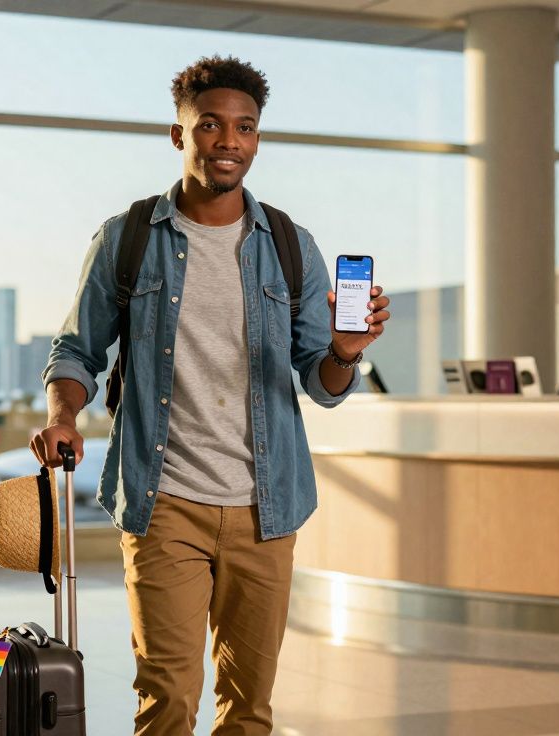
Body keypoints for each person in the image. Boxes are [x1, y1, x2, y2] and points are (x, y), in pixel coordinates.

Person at [29, 56, 391, 735]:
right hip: (165, 501)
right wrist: (61, 414)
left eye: (246, 128)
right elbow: (77, 349)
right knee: (167, 698)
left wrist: (345, 353)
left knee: (249, 709)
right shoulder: (128, 239)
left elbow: (323, 381)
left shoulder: (290, 246)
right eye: (212, 126)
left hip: (267, 506)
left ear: (257, 139)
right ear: (180, 135)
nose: (230, 141)